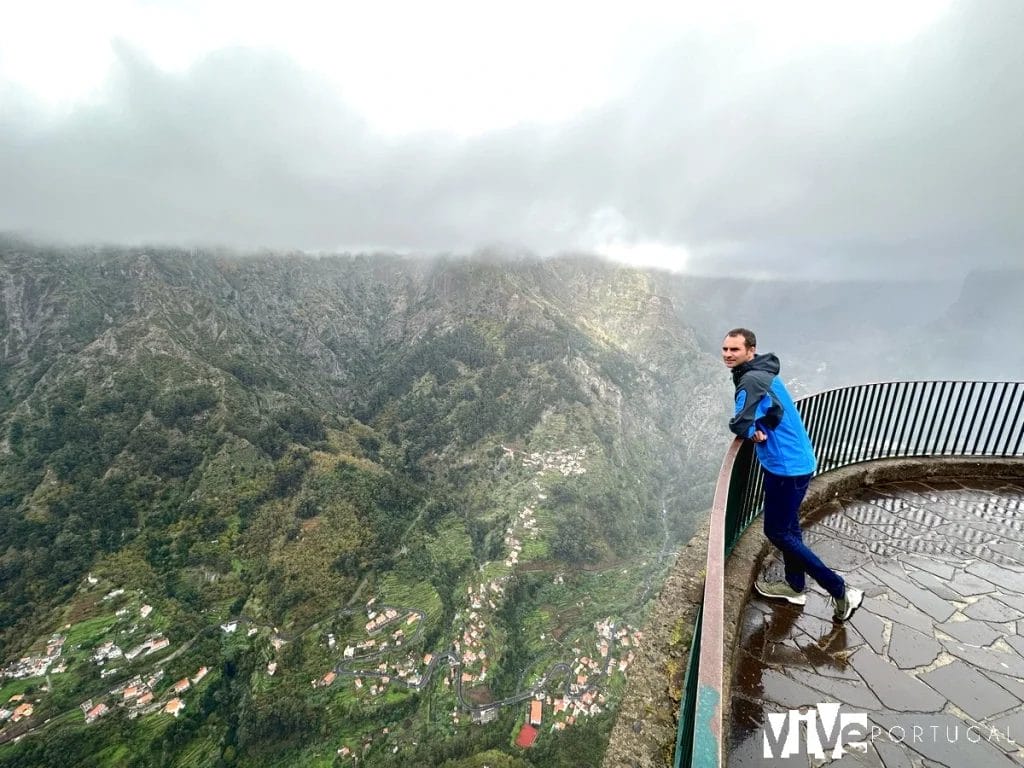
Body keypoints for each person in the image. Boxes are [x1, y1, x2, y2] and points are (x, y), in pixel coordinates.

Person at [722, 328, 863, 622]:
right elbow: (772, 411)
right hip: (798, 462)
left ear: (750, 350)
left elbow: (739, 424)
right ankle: (794, 585)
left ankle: (839, 590)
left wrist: (751, 432)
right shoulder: (765, 371)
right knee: (788, 529)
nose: (727, 355)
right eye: (725, 349)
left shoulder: (749, 380)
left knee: (777, 532)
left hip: (785, 468)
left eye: (734, 350)